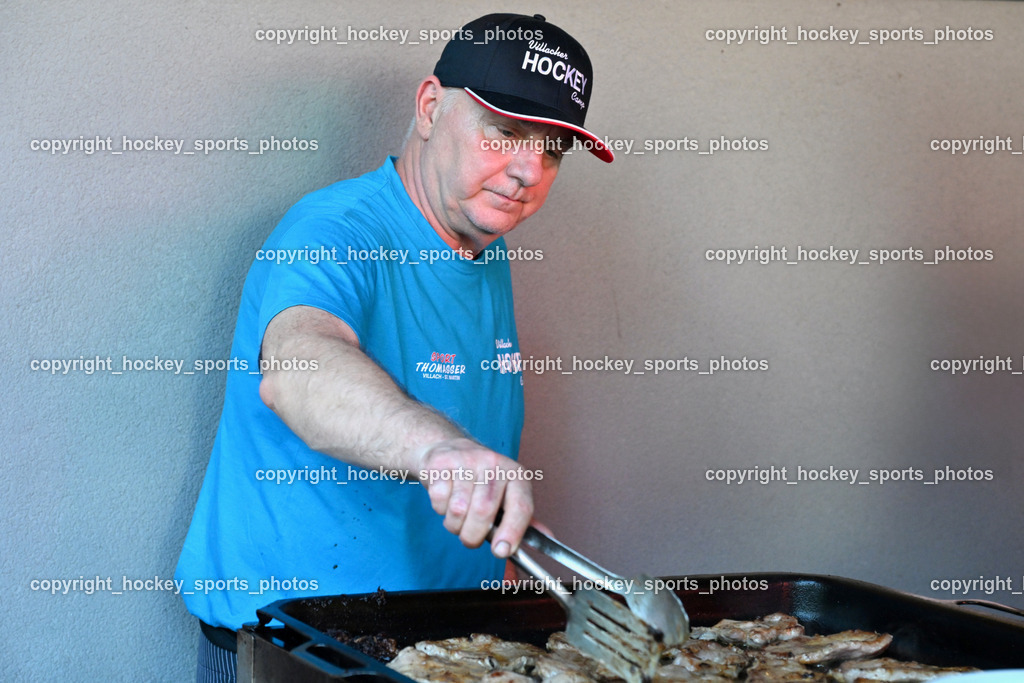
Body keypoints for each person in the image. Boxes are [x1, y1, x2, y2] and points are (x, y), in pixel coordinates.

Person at [175, 12, 613, 683]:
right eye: (505, 131)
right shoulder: (333, 231)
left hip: (441, 649)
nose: (528, 170)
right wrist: (441, 450)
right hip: (297, 651)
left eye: (552, 147)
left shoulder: (478, 242)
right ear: (431, 107)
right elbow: (299, 367)